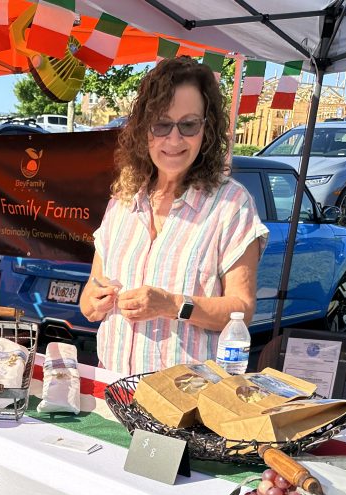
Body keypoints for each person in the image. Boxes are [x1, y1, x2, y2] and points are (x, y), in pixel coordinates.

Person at [80, 57, 268, 376]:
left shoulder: (231, 204)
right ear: (144, 130)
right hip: (112, 390)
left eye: (188, 124)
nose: (174, 139)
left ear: (205, 130)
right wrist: (94, 301)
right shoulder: (123, 200)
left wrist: (172, 305)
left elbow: (242, 309)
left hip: (186, 405)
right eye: (162, 124)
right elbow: (89, 296)